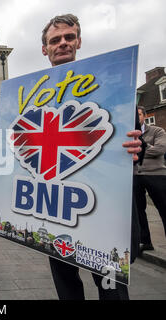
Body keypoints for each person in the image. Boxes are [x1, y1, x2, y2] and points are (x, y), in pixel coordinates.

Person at [40, 14, 142, 300]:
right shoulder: (34, 96)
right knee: (66, 284)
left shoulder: (111, 86)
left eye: (69, 38)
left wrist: (135, 147)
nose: (62, 44)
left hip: (103, 210)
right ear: (45, 49)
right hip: (55, 210)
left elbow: (133, 140)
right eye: (54, 40)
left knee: (111, 288)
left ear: (79, 41)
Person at [133, 106, 166, 252]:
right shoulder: (129, 134)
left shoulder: (157, 131)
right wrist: (147, 149)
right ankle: (145, 241)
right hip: (135, 175)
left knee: (164, 209)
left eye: (138, 115)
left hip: (156, 175)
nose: (136, 118)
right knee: (139, 210)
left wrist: (137, 150)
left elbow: (160, 149)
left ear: (144, 116)